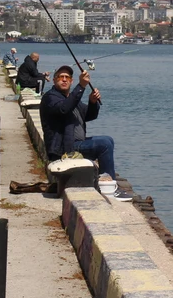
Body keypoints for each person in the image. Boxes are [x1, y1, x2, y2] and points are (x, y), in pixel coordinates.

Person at [40, 65, 132, 201]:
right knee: (104, 144)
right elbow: (63, 109)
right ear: (54, 80)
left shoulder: (71, 99)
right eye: (61, 77)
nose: (64, 80)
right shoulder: (50, 98)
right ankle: (110, 189)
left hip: (76, 144)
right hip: (65, 148)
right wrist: (81, 86)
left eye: (67, 77)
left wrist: (92, 102)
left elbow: (88, 115)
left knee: (108, 140)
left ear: (71, 81)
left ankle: (104, 181)